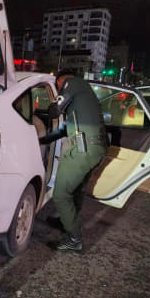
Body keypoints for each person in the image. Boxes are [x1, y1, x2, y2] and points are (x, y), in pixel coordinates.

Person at [39, 69, 107, 251]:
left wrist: (53, 104)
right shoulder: (84, 95)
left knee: (61, 195)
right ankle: (65, 222)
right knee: (76, 190)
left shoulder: (73, 83)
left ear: (62, 81)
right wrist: (43, 139)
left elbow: (54, 111)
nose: (58, 89)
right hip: (95, 147)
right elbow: (64, 129)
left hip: (83, 149)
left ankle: (74, 239)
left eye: (57, 86)